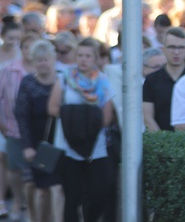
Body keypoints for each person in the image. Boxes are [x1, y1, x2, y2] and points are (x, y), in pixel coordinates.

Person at [47, 37, 114, 222]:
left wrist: (86, 124)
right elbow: (53, 108)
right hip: (68, 147)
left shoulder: (103, 81)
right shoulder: (64, 79)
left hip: (95, 147)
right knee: (72, 196)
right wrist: (76, 118)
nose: (84, 59)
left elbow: (107, 117)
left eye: (88, 56)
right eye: (80, 55)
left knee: (98, 193)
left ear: (96, 58)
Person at [15, 40, 62, 222]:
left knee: (58, 187)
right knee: (42, 189)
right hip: (37, 143)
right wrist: (27, 146)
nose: (43, 63)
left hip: (60, 142)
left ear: (53, 59)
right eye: (38, 60)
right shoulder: (28, 83)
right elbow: (22, 116)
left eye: (46, 59)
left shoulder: (63, 79)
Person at [0, 28, 35, 220]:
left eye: (33, 47)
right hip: (12, 127)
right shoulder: (9, 69)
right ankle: (18, 202)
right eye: (27, 47)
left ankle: (30, 207)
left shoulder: (42, 70)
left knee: (33, 172)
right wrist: (1, 123)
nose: (30, 51)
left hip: (35, 128)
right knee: (14, 168)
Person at [143, 27, 185, 132]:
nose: (176, 52)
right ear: (163, 49)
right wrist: (163, 142)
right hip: (159, 142)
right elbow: (148, 118)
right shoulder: (151, 80)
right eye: (172, 47)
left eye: (181, 47)